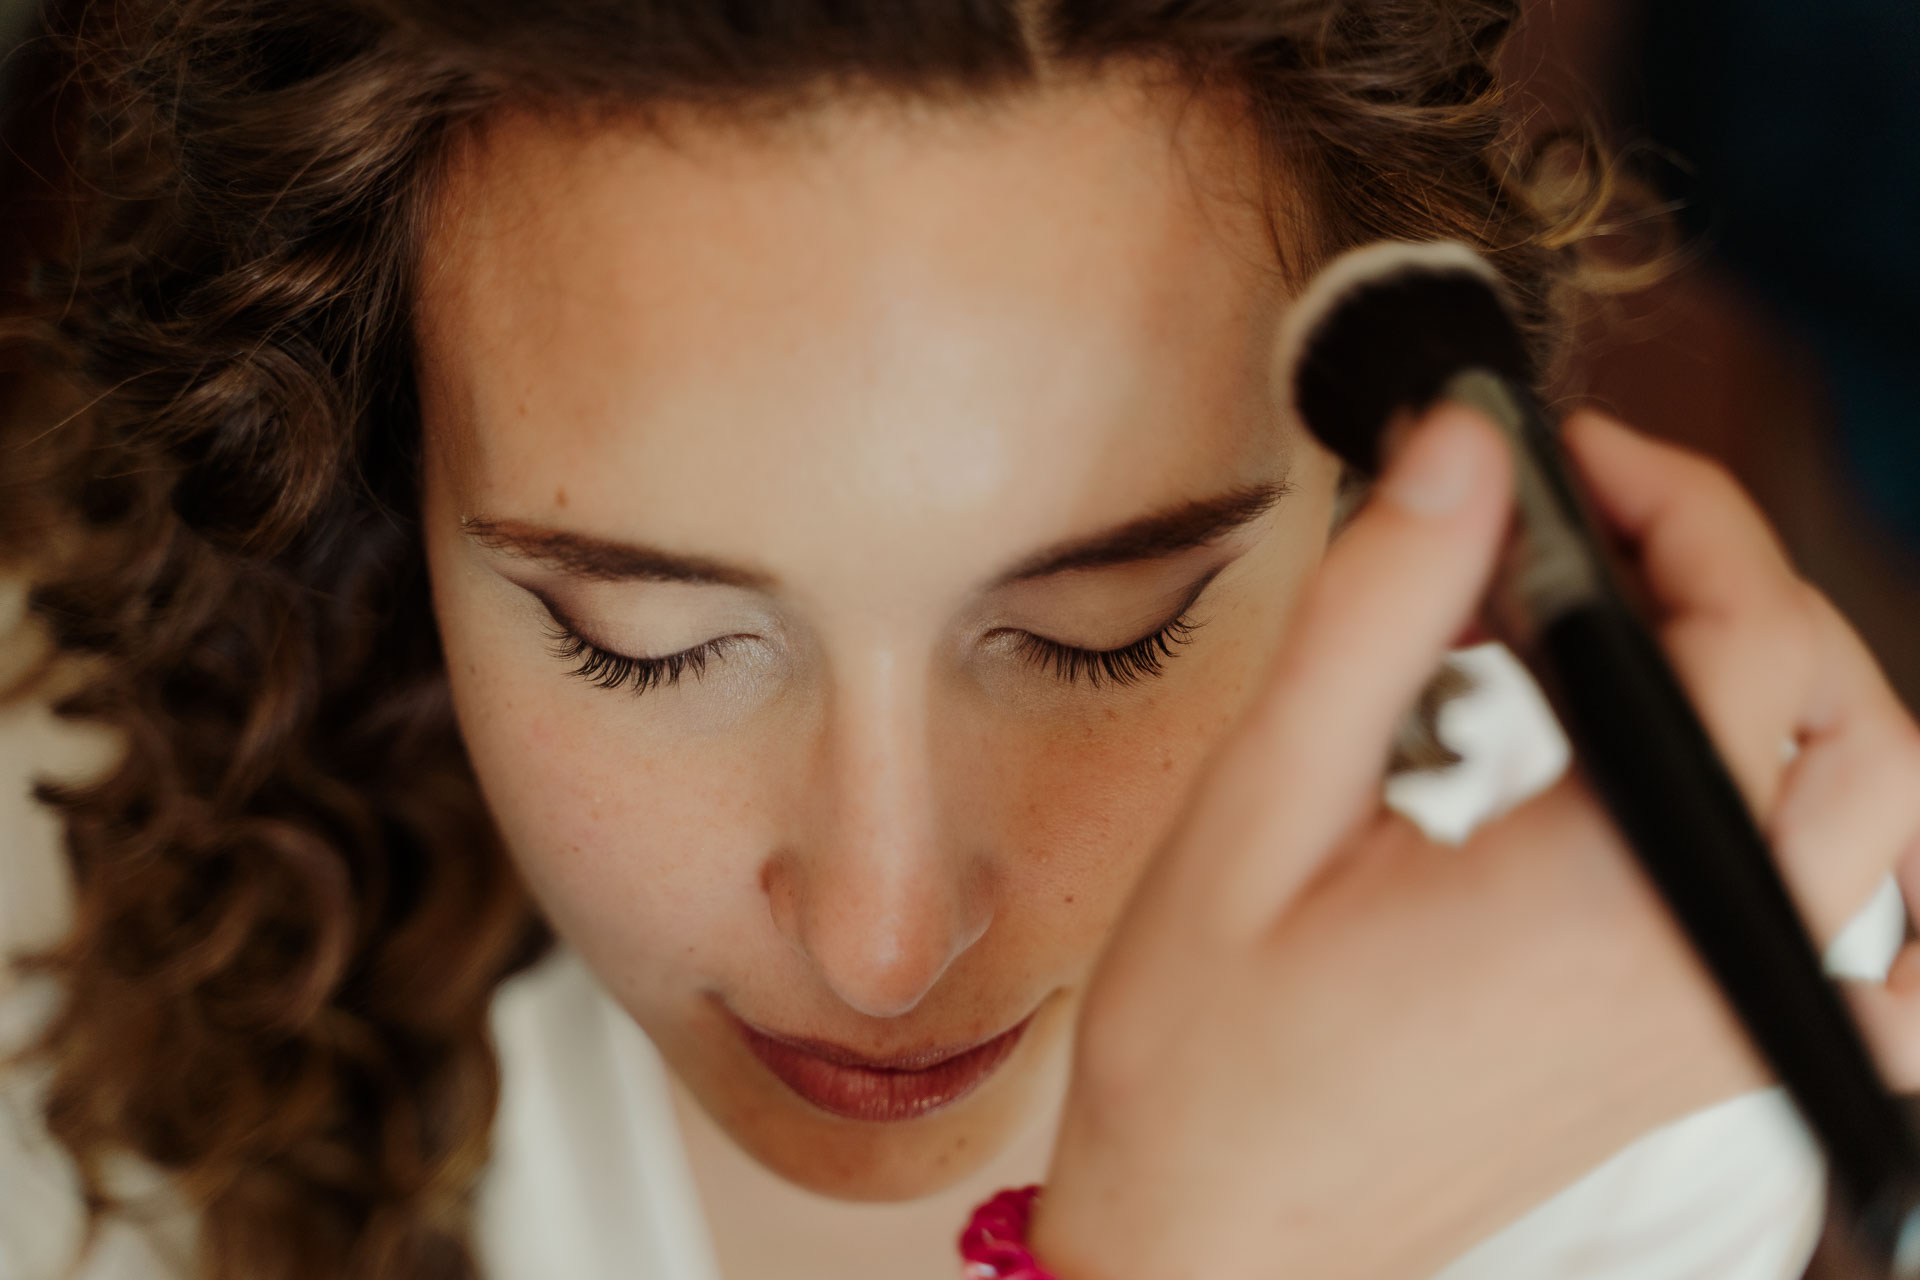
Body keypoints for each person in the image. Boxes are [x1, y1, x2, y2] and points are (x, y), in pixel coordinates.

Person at [2, 2, 1917, 1278]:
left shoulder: (1641, 1041)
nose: (883, 942)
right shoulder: (99, 851)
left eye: (1105, 633)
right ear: (376, 477)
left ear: (1367, 485)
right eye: (640, 644)